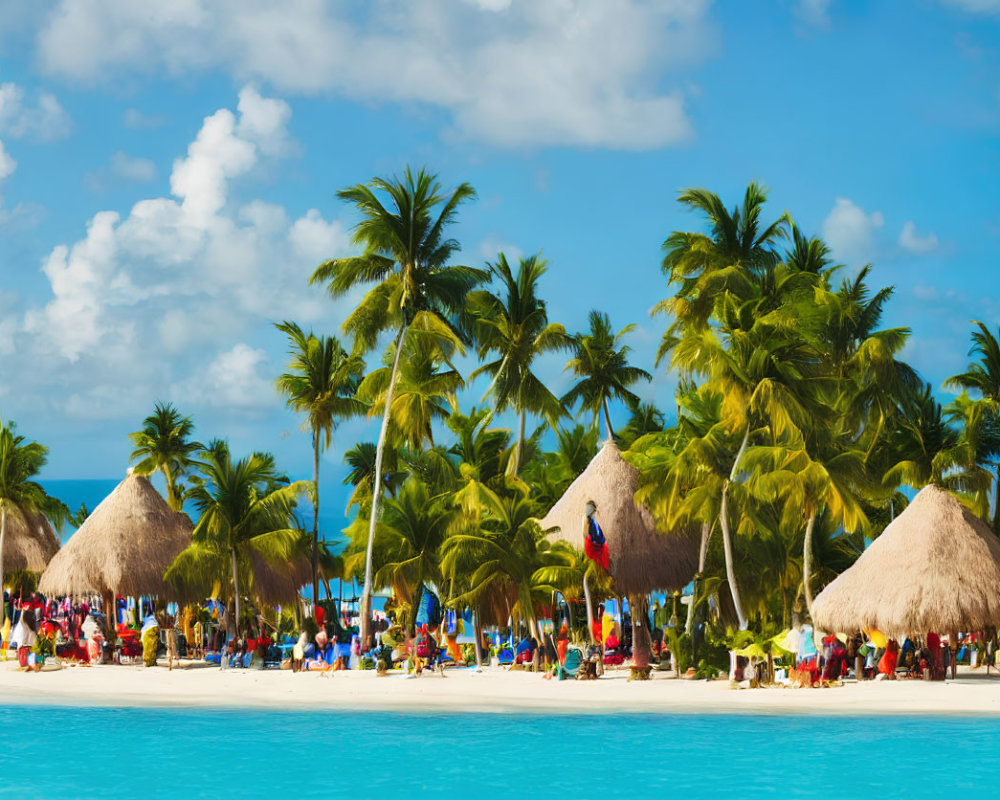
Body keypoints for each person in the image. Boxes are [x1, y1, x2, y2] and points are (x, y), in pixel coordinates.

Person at [582, 500, 609, 570]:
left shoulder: (593, 522)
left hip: (597, 549)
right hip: (594, 550)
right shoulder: (589, 522)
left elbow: (598, 536)